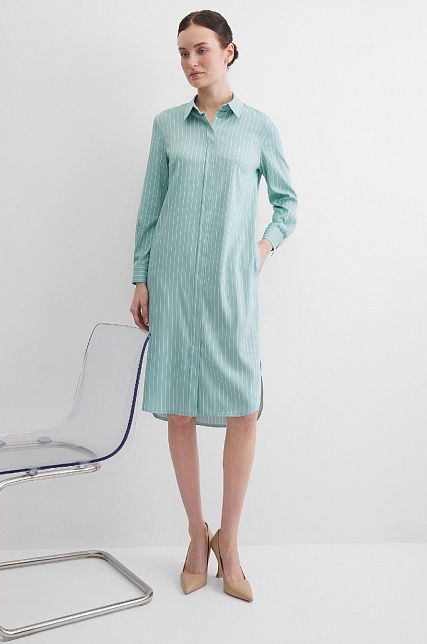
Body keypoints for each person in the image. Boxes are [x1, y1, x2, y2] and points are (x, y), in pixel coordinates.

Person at [130, 9, 297, 602]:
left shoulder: (258, 127)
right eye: (182, 52)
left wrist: (262, 248)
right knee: (178, 410)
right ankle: (196, 537)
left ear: (228, 51)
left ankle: (231, 542)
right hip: (173, 284)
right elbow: (151, 206)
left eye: (201, 49)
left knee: (242, 411)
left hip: (232, 287)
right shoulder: (166, 126)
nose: (191, 62)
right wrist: (141, 277)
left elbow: (287, 204)